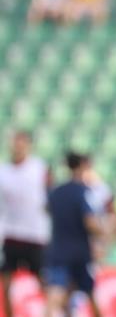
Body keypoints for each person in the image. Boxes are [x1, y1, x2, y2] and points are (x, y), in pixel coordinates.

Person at [44, 152, 104, 317]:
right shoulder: (84, 191)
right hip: (79, 252)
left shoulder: (56, 192)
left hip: (58, 250)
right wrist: (104, 233)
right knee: (90, 295)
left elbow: (46, 210)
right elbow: (90, 222)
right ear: (84, 166)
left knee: (56, 293)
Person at [0, 130, 51, 317]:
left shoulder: (39, 169)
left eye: (22, 143)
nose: (18, 147)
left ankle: (52, 313)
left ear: (28, 145)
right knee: (5, 285)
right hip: (11, 234)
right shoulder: (3, 171)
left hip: (35, 235)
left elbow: (49, 199)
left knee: (44, 283)